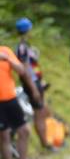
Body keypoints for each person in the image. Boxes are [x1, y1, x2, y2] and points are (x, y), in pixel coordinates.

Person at [0, 45, 41, 159]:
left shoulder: (5, 50)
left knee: (24, 130)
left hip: (10, 98)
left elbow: (21, 70)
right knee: (4, 135)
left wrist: (8, 60)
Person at [15, 18, 53, 150]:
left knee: (44, 111)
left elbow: (32, 66)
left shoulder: (26, 45)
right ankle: (45, 143)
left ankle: (48, 140)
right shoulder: (22, 47)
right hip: (32, 84)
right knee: (39, 113)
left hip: (36, 82)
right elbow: (25, 69)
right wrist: (33, 88)